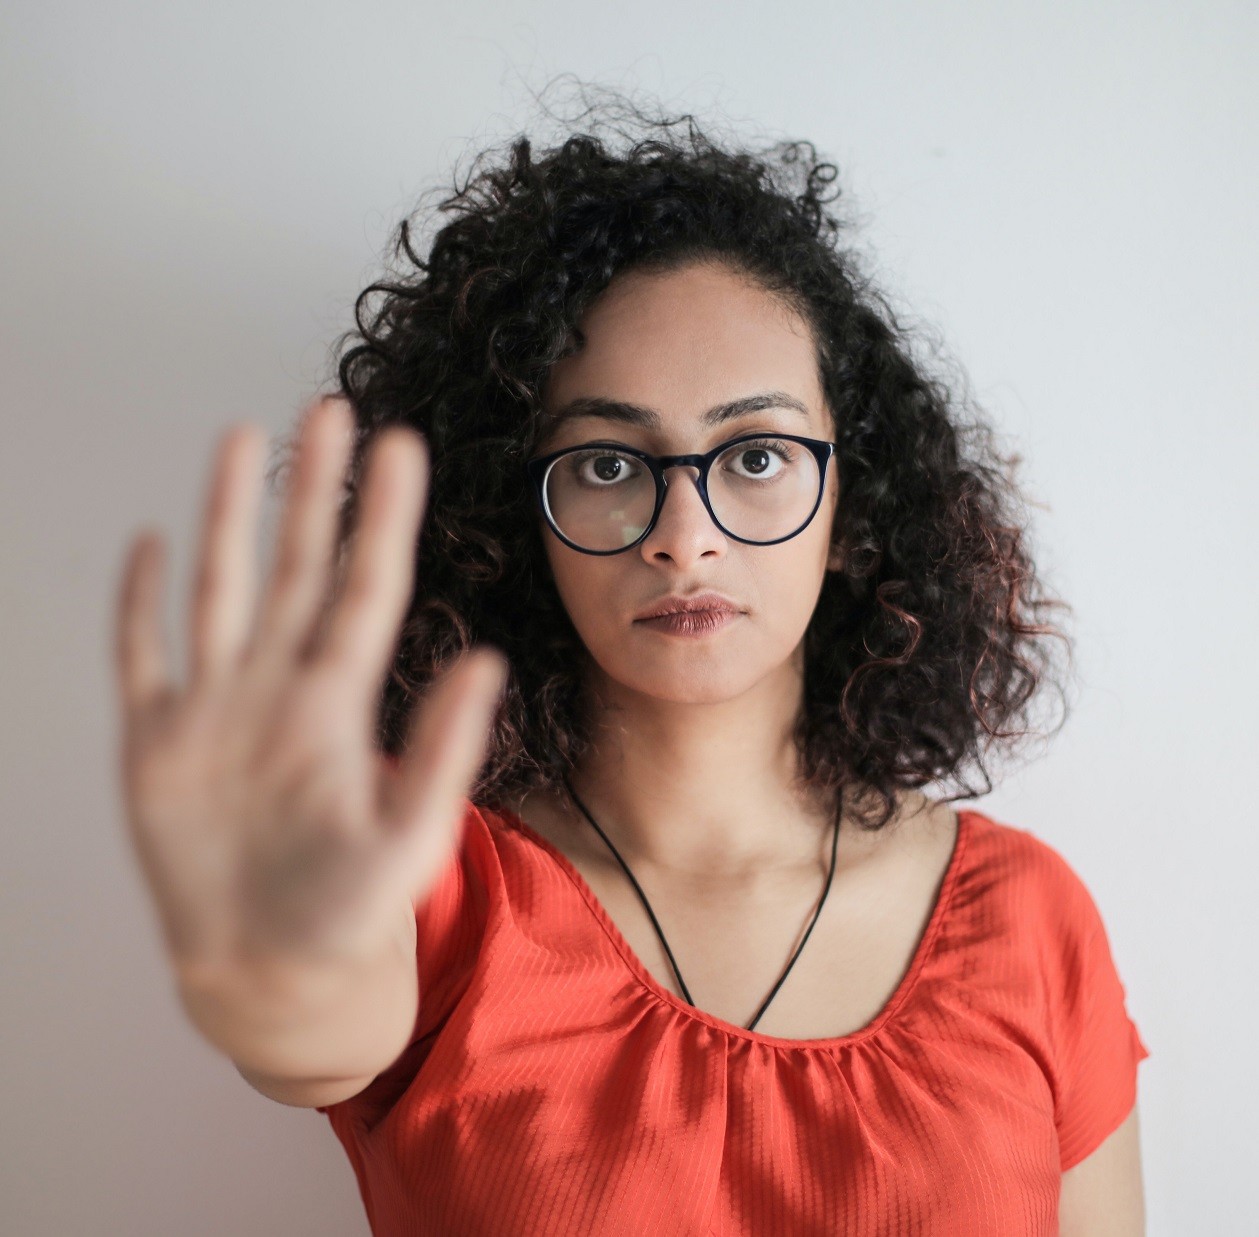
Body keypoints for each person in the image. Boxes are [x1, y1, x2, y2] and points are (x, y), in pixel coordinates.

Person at [113, 84, 1149, 1235]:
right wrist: (263, 965)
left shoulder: (1024, 919)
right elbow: (310, 1020)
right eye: (606, 465)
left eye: (754, 453)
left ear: (850, 505)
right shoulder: (430, 885)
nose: (683, 534)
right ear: (513, 522)